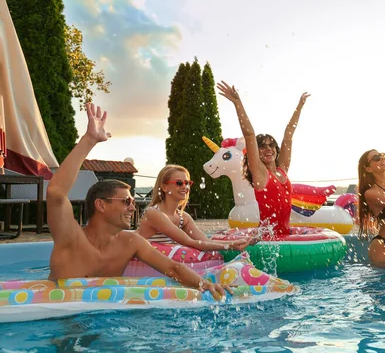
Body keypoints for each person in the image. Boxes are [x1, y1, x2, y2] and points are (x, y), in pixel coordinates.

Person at [47, 103, 229, 299]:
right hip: (63, 322)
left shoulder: (129, 241)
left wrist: (205, 284)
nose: (133, 207)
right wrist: (89, 140)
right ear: (101, 205)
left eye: (133, 201)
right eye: (126, 201)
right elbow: (56, 193)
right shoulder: (70, 238)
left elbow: (174, 268)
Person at [217, 81, 309, 235]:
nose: (268, 149)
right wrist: (237, 103)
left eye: (271, 145)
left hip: (286, 234)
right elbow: (249, 135)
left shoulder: (282, 170)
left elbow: (288, 136)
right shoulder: (259, 172)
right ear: (256, 152)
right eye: (263, 146)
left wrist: (299, 106)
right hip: (268, 237)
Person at [136, 164, 254, 258]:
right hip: (140, 264)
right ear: (164, 187)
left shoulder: (183, 217)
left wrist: (239, 241)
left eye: (187, 183)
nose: (185, 187)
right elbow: (189, 242)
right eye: (179, 183)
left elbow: (205, 241)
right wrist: (231, 246)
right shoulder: (153, 213)